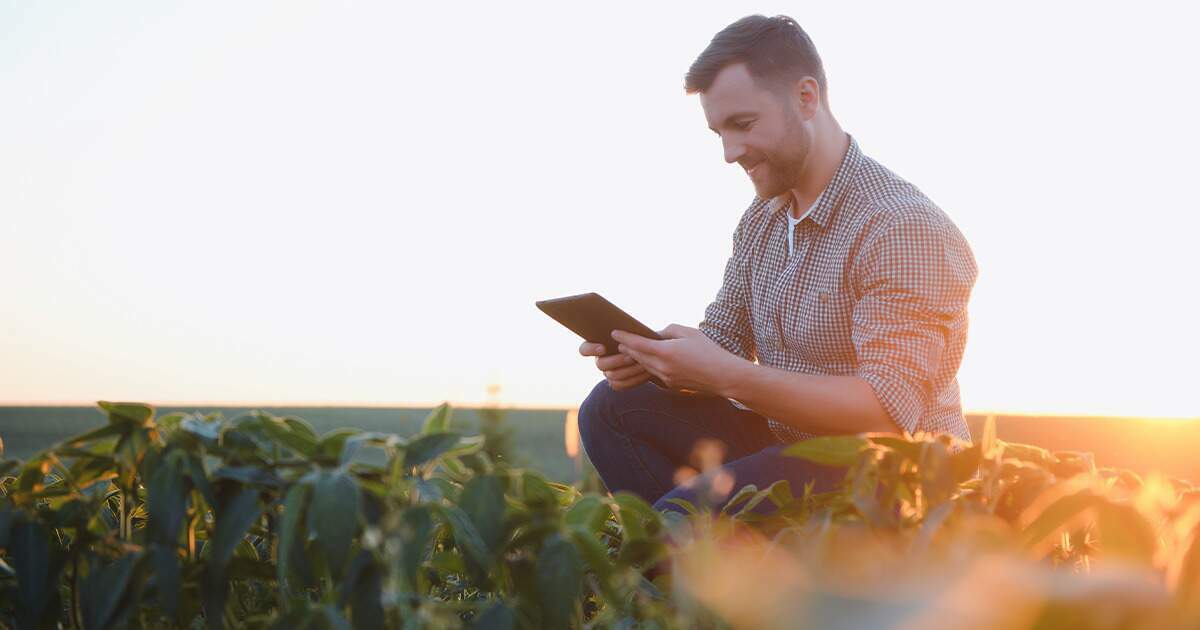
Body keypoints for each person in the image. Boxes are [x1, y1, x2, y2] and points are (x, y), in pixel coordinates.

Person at [576, 15, 979, 516]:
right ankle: (697, 554)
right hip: (787, 446)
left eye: (743, 125)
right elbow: (724, 340)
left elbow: (885, 415)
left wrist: (729, 377)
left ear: (806, 98)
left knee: (682, 513)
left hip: (890, 476)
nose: (729, 153)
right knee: (610, 408)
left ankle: (685, 542)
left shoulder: (901, 226)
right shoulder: (763, 218)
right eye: (719, 132)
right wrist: (656, 360)